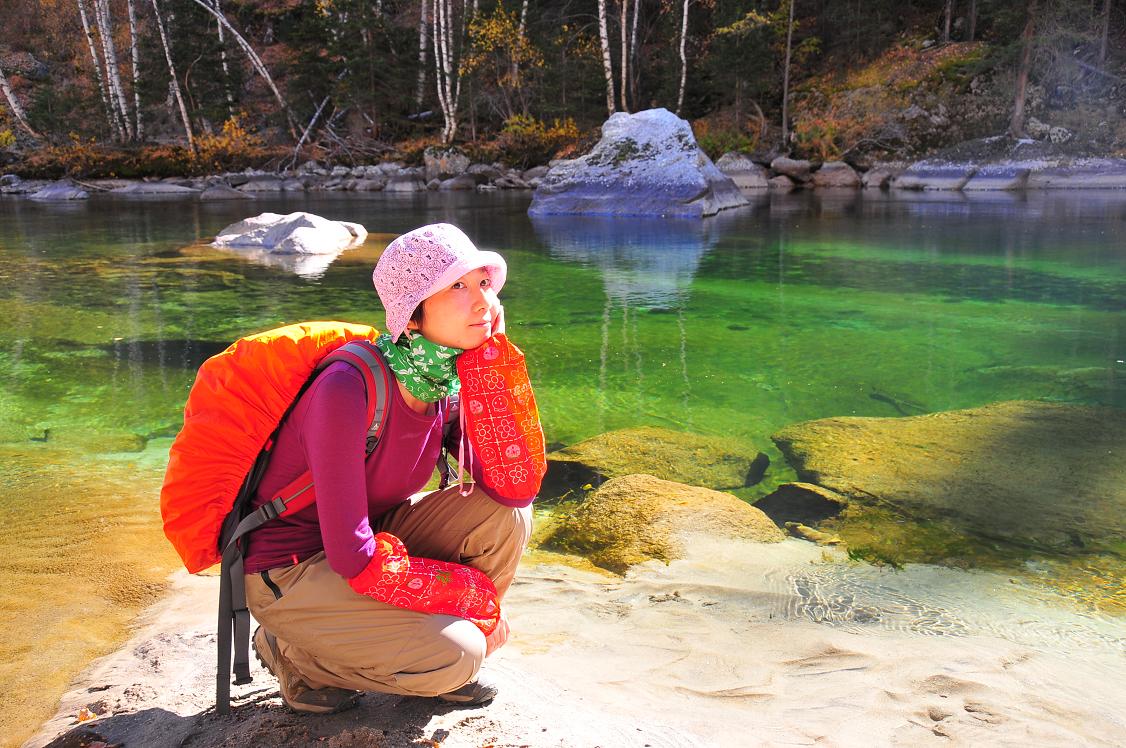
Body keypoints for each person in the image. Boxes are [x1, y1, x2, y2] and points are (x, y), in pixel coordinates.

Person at [242, 223, 534, 713]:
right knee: (458, 653)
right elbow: (352, 555)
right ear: (412, 315)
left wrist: (490, 368)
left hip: (376, 540)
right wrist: (467, 598)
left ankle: (409, 649)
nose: (483, 302)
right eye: (457, 287)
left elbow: (511, 487)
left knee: (509, 516)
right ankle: (294, 653)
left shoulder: (445, 378)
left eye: (483, 283)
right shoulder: (346, 388)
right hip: (293, 571)